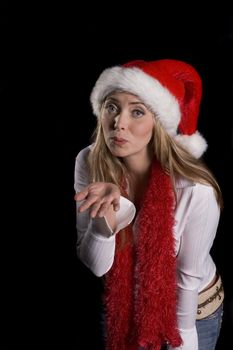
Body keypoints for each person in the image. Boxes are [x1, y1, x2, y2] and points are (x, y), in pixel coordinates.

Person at [74, 59, 224, 350]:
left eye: (137, 111)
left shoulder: (195, 190)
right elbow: (96, 265)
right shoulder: (88, 163)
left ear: (158, 122)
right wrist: (105, 223)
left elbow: (185, 286)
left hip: (193, 312)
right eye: (111, 107)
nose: (119, 123)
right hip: (125, 305)